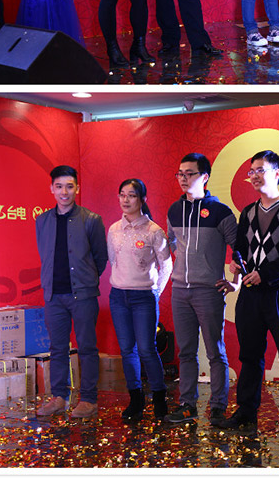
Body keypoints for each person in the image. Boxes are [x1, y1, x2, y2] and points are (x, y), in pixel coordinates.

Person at [222, 150, 279, 436]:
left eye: (260, 170)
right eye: (252, 171)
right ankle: (246, 412)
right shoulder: (247, 212)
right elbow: (241, 249)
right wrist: (236, 263)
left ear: (277, 173)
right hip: (250, 295)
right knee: (249, 356)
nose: (254, 176)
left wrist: (265, 274)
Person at [165, 153, 238, 427]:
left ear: (205, 177)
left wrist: (235, 281)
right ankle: (187, 405)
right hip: (180, 291)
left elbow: (239, 250)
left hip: (208, 290)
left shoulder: (221, 212)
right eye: (180, 173)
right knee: (185, 352)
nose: (183, 178)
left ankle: (218, 406)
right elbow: (171, 242)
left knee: (215, 352)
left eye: (190, 173)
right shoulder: (174, 210)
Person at [35, 165, 107, 418]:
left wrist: (86, 279)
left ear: (77, 188)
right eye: (59, 186)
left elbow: (100, 258)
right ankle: (59, 397)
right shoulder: (42, 220)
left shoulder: (91, 219)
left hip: (83, 295)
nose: (64, 192)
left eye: (69, 186)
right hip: (53, 295)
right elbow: (45, 254)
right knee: (57, 348)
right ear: (51, 189)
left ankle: (88, 399)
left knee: (87, 347)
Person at [107, 178, 173, 422]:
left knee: (147, 349)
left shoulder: (154, 231)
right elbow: (112, 260)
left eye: (132, 195)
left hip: (144, 297)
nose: (126, 200)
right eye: (122, 195)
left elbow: (167, 265)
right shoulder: (113, 229)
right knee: (127, 350)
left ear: (142, 199)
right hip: (118, 296)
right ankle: (135, 399)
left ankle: (159, 397)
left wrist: (155, 292)